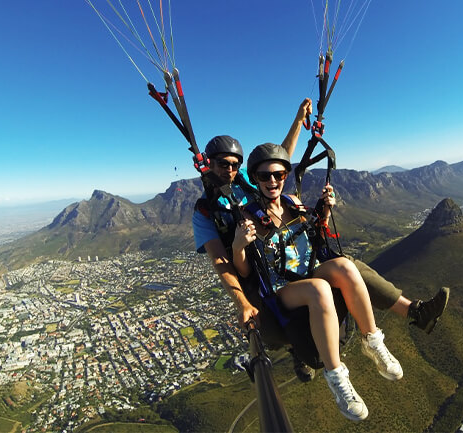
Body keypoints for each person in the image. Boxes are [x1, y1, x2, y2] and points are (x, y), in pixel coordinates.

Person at [192, 99, 448, 375]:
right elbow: (221, 262)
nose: (229, 170)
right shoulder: (205, 211)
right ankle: (302, 352)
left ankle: (413, 313)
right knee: (306, 290)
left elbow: (281, 159)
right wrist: (242, 301)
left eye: (234, 164)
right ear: (209, 164)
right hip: (255, 272)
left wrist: (298, 120)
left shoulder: (248, 181)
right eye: (223, 164)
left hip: (282, 254)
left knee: (348, 266)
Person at [230, 143, 402, 420]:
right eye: (264, 176)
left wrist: (324, 212)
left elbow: (313, 239)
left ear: (285, 174)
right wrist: (239, 245)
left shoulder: (293, 204)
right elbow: (245, 270)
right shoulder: (249, 217)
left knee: (346, 267)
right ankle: (336, 377)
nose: (272, 180)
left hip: (310, 272)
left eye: (278, 173)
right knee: (320, 288)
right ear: (255, 179)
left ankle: (373, 341)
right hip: (281, 288)